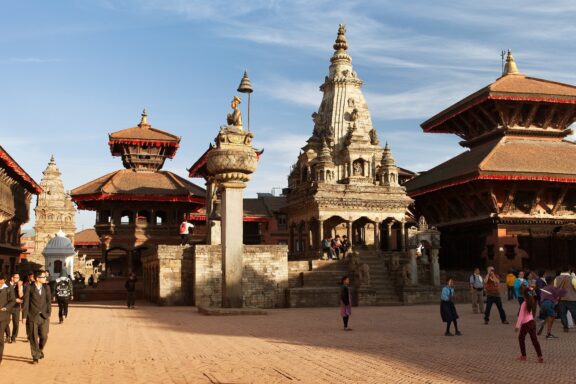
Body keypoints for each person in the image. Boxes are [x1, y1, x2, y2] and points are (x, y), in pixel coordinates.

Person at [22, 270, 51, 364]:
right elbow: (26, 302)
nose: (45, 278)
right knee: (33, 337)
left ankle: (39, 350)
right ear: (37, 278)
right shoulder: (29, 288)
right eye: (43, 277)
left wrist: (48, 313)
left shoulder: (46, 288)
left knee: (44, 336)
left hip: (44, 316)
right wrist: (24, 316)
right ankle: (35, 357)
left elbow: (48, 302)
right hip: (32, 316)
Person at [515, 287, 543, 363]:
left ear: (524, 295)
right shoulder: (533, 301)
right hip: (532, 322)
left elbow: (520, 316)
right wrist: (531, 290)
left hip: (526, 323)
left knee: (521, 338)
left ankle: (523, 356)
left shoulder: (524, 303)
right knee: (534, 340)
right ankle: (540, 356)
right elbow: (534, 294)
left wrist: (517, 326)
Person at [553, 266, 576, 333]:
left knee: (563, 314)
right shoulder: (572, 278)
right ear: (569, 270)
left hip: (561, 299)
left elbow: (555, 289)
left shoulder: (556, 278)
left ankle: (565, 327)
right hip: (572, 299)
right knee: (574, 313)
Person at [0, 273, 16, 365]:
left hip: (3, 317)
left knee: (0, 338)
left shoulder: (8, 289)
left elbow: (12, 301)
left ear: (4, 280)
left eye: (1, 280)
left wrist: (5, 308)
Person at [5, 273, 23, 343]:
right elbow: (5, 296)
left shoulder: (19, 285)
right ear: (12, 278)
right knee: (6, 322)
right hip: (8, 306)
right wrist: (15, 299)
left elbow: (21, 296)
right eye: (17, 277)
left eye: (19, 278)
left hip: (16, 307)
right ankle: (8, 336)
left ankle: (13, 337)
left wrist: (19, 287)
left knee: (16, 323)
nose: (18, 279)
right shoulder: (6, 285)